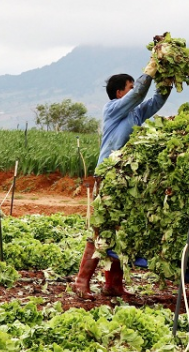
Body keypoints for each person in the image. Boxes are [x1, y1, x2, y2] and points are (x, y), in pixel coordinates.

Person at [71, 56, 170, 299]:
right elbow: (139, 95)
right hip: (108, 174)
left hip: (125, 178)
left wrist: (167, 79)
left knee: (119, 229)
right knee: (101, 228)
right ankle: (81, 281)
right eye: (129, 86)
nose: (134, 90)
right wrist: (149, 71)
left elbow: (155, 101)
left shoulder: (135, 114)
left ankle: (113, 285)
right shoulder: (113, 109)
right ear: (119, 93)